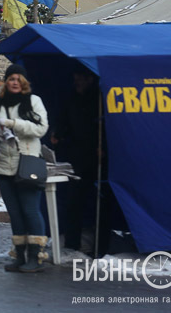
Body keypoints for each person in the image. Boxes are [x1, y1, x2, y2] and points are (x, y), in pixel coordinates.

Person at [0, 64, 50, 273]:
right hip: (4, 168)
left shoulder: (33, 102)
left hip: (27, 164)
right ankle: (20, 255)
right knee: (15, 213)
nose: (14, 82)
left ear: (24, 83)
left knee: (30, 210)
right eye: (11, 79)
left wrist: (14, 123)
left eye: (18, 79)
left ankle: (36, 256)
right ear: (6, 82)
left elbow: (40, 129)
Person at [53, 66, 110, 256]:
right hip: (77, 156)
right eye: (76, 79)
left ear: (90, 80)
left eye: (81, 79)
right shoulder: (72, 98)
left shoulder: (99, 99)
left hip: (98, 156)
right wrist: (58, 134)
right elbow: (65, 122)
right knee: (73, 201)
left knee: (100, 203)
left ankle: (101, 247)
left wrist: (104, 147)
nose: (77, 83)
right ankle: (72, 244)